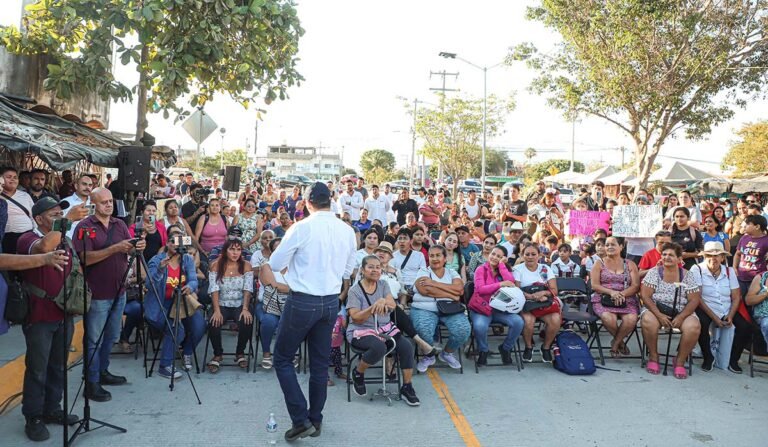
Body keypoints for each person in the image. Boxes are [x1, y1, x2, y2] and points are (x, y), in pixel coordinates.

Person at [259, 182, 356, 441]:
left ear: (307, 203)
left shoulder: (301, 227)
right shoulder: (347, 230)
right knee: (319, 365)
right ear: (330, 200)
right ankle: (315, 419)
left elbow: (275, 263)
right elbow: (348, 271)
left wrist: (296, 266)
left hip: (303, 300)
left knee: (282, 358)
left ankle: (301, 419)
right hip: (330, 301)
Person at [72, 188, 144, 401]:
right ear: (93, 204)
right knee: (94, 339)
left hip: (119, 290)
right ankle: (91, 381)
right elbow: (84, 258)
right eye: (103, 202)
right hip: (97, 292)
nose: (108, 205)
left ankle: (102, 370)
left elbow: (128, 249)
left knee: (111, 336)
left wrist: (137, 246)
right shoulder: (85, 226)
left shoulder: (119, 224)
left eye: (110, 201)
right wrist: (114, 248)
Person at [18, 198, 80, 441]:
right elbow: (44, 247)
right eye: (52, 213)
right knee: (37, 369)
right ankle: (33, 416)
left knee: (58, 366)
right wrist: (67, 221)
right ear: (38, 218)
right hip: (39, 315)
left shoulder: (65, 239)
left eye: (60, 211)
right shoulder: (27, 239)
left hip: (64, 313)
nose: (58, 214)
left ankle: (52, 408)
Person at [347, 255, 420, 405]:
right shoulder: (354, 291)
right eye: (370, 267)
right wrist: (373, 307)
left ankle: (407, 387)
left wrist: (382, 301)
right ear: (362, 270)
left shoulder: (383, 284)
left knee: (406, 346)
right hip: (362, 330)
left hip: (385, 328)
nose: (375, 270)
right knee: (379, 347)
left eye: (378, 267)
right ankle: (358, 373)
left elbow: (392, 305)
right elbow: (355, 318)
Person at [143, 224, 203, 378]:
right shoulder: (157, 260)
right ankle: (165, 365)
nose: (177, 245)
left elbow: (193, 280)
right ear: (167, 243)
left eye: (180, 242)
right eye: (174, 242)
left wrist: (189, 287)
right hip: (160, 304)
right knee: (177, 330)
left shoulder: (187, 259)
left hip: (182, 302)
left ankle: (187, 352)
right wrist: (160, 270)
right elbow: (149, 285)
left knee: (200, 325)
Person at [640, 242, 701, 379]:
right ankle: (653, 356)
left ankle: (679, 361)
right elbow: (646, 296)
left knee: (693, 327)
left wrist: (681, 317)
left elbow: (694, 300)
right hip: (656, 309)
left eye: (671, 255)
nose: (666, 257)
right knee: (648, 321)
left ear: (679, 259)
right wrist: (659, 315)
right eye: (664, 254)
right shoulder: (654, 272)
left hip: (681, 310)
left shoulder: (687, 275)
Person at [410, 245, 470, 372]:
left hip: (450, 309)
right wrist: (451, 294)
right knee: (423, 328)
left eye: (438, 255)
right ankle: (429, 354)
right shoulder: (423, 271)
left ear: (445, 258)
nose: (434, 258)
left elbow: (459, 289)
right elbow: (424, 290)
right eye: (431, 256)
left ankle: (447, 353)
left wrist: (435, 284)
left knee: (463, 330)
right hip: (424, 308)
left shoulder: (452, 272)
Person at [468, 246, 524, 365]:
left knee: (518, 322)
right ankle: (483, 350)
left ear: (503, 258)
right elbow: (480, 289)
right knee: (480, 326)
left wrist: (502, 266)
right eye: (493, 254)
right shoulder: (481, 269)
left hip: (500, 309)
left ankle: (505, 348)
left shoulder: (503, 270)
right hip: (482, 309)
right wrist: (500, 284)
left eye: (499, 256)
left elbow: (511, 282)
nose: (494, 257)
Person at [690, 242, 740, 371]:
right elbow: (697, 298)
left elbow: (736, 297)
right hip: (705, 306)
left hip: (727, 308)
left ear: (722, 257)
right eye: (709, 255)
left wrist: (730, 315)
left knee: (745, 327)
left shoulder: (729, 271)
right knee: (702, 323)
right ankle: (708, 357)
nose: (713, 258)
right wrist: (715, 318)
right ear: (704, 257)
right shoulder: (697, 269)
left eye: (717, 255)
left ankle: (733, 360)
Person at [207, 238, 254, 372]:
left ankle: (240, 353)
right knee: (213, 321)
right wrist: (217, 310)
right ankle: (218, 354)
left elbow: (248, 289)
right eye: (232, 249)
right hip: (221, 302)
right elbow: (214, 289)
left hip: (240, 303)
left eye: (238, 250)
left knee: (246, 320)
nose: (235, 253)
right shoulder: (215, 265)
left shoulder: (246, 265)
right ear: (225, 251)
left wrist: (245, 308)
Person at [589, 237, 640, 357]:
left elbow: (635, 286)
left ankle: (615, 343)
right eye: (607, 245)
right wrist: (612, 292)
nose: (609, 247)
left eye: (613, 244)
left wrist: (621, 294)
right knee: (608, 318)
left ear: (621, 246)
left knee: (631, 319)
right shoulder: (598, 263)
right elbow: (595, 285)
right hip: (603, 298)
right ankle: (621, 343)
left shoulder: (630, 264)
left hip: (626, 299)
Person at [513, 243, 561, 362]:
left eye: (533, 254)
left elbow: (554, 290)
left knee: (556, 319)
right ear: (522, 256)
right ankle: (529, 347)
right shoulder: (518, 269)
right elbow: (516, 290)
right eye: (527, 254)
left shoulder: (544, 269)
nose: (530, 257)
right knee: (528, 321)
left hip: (543, 303)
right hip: (526, 302)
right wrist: (532, 296)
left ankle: (546, 348)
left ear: (539, 255)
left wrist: (543, 293)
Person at [258, 238, 289, 370]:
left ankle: (287, 354)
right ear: (271, 252)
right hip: (268, 305)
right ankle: (266, 353)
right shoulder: (266, 266)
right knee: (268, 321)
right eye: (277, 249)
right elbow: (273, 285)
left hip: (289, 306)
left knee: (290, 321)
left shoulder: (295, 266)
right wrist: (294, 288)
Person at [1, 166, 36, 254]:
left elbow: (34, 215)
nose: (13, 179)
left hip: (26, 235)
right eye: (9, 177)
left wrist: (35, 231)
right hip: (5, 237)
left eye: (15, 177)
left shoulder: (25, 195)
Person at [733, 215, 768, 296]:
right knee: (740, 300)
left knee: (752, 302)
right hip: (741, 277)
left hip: (757, 280)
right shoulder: (744, 238)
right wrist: (734, 267)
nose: (745, 226)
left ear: (757, 227)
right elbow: (738, 254)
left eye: (748, 224)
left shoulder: (766, 240)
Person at [392, 228, 427, 301]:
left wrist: (415, 285)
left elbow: (423, 272)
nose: (402, 241)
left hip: (416, 286)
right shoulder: (393, 256)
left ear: (411, 241)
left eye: (405, 238)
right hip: (399, 286)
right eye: (400, 238)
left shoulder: (419, 255)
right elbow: (392, 274)